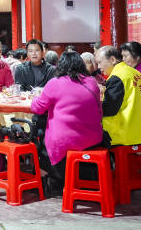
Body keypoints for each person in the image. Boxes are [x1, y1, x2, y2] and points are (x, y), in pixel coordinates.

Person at [30, 51, 104, 196]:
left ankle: (51, 183)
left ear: (60, 66)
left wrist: (35, 98)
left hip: (66, 141)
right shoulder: (91, 82)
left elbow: (38, 108)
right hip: (93, 138)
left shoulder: (55, 83)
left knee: (40, 143)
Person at [95, 46, 141, 146]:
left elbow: (109, 109)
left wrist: (93, 103)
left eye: (99, 62)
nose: (98, 67)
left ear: (112, 59)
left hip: (124, 135)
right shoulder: (135, 72)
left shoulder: (117, 77)